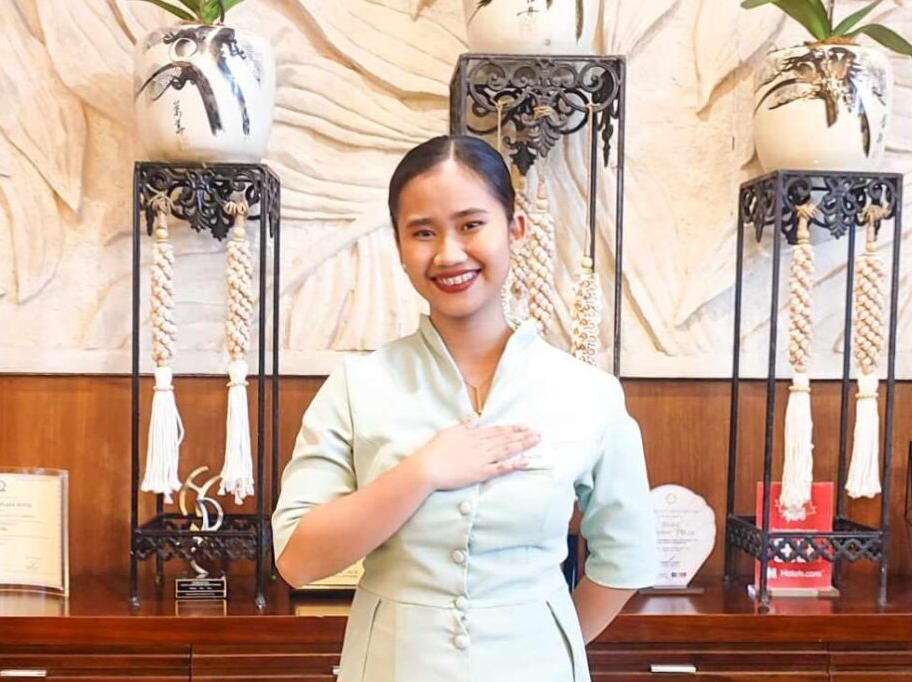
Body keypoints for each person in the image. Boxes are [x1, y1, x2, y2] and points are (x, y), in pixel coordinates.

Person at [272, 135, 658, 682]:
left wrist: (548, 642)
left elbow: (626, 557)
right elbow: (297, 559)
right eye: (423, 232)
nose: (449, 254)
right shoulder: (356, 387)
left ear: (515, 228)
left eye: (471, 224)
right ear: (399, 246)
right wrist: (422, 472)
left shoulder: (587, 393)